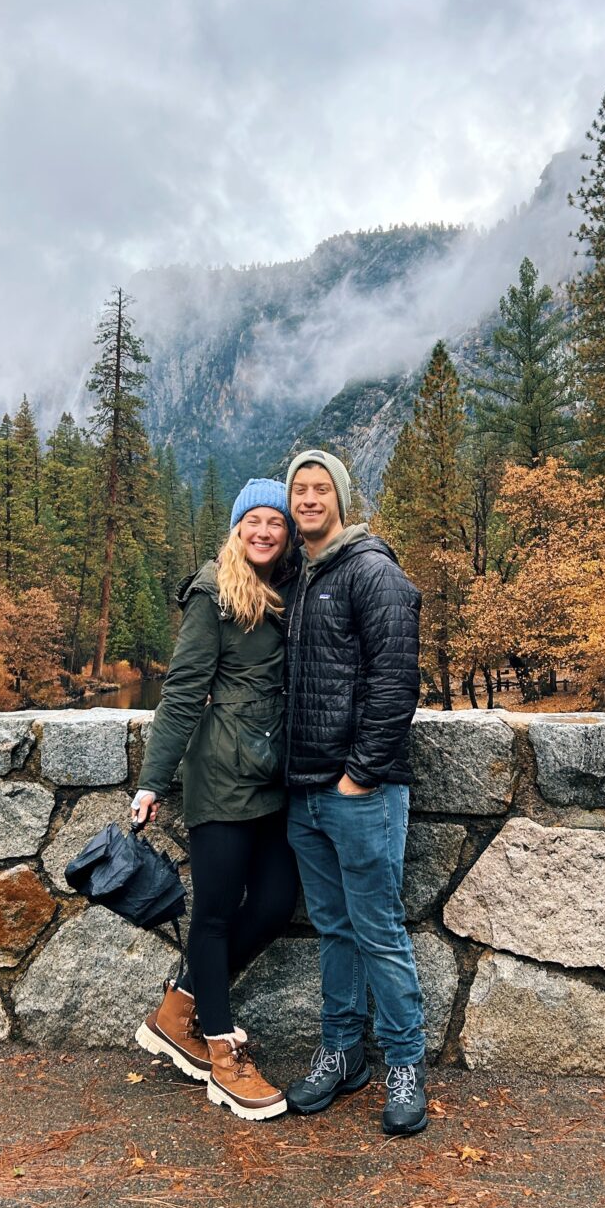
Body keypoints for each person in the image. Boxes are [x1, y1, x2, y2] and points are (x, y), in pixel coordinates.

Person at [131, 478, 300, 1121]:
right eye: (252, 521)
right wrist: (152, 780)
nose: (263, 531)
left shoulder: (289, 590)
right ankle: (223, 1056)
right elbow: (179, 695)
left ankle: (180, 1008)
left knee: (278, 902)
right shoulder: (213, 594)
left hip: (272, 777)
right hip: (222, 776)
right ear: (236, 528)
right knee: (218, 912)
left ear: (286, 533)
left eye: (275, 522)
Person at [280, 449, 427, 1137]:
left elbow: (395, 685)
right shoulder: (302, 576)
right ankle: (341, 1054)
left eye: (320, 488)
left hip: (357, 792)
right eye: (299, 489)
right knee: (334, 930)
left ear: (339, 497)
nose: (309, 498)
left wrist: (358, 775)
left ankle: (404, 1063)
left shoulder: (372, 572)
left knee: (377, 930)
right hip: (304, 793)